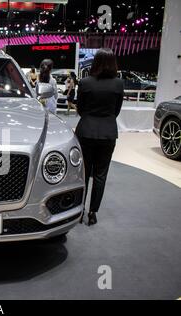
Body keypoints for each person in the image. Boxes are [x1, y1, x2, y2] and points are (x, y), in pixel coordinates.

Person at [75, 48, 124, 226]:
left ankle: (79, 210)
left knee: (83, 174)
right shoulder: (119, 84)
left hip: (85, 131)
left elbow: (80, 109)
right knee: (101, 175)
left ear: (95, 62)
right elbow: (116, 110)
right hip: (108, 133)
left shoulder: (85, 82)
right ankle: (93, 212)